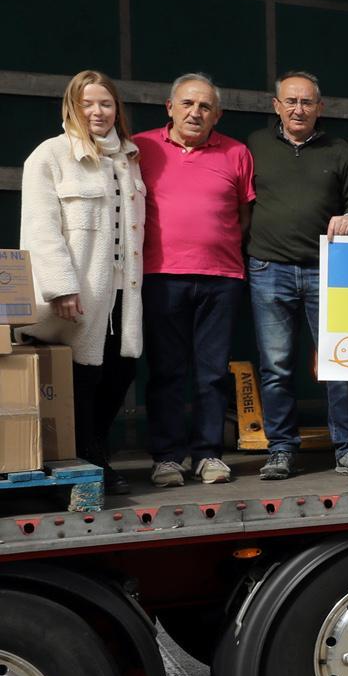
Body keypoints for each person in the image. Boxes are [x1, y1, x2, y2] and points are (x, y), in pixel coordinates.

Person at [244, 71, 348, 481]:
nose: (298, 109)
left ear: (320, 108)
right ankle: (281, 449)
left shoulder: (340, 150)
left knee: (340, 364)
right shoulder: (254, 146)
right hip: (269, 268)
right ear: (276, 106)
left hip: (327, 269)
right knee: (276, 366)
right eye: (291, 101)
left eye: (306, 102)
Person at [18, 71, 145, 494]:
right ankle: (89, 462)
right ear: (72, 107)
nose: (97, 112)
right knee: (82, 377)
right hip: (79, 290)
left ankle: (96, 450)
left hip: (124, 290)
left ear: (116, 110)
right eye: (87, 104)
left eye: (105, 104)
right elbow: (40, 226)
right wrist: (60, 286)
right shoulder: (50, 155)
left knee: (121, 369)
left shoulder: (129, 159)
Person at [133, 73, 255, 486]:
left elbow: (244, 215)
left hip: (222, 277)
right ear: (170, 107)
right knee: (167, 371)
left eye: (205, 106)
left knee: (212, 372)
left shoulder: (237, 152)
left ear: (217, 114)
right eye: (187, 103)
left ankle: (207, 455)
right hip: (161, 275)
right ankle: (168, 457)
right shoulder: (142, 147)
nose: (195, 112)